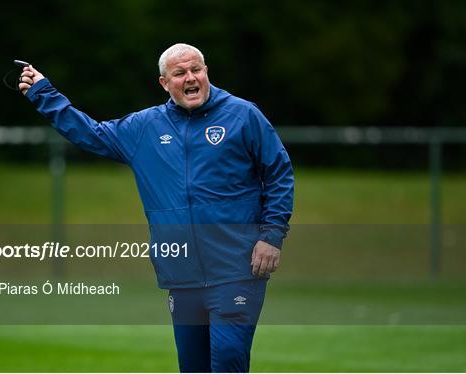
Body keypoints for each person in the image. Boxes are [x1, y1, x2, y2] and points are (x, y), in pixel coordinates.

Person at [19, 43, 294, 372]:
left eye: (197, 70)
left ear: (206, 72)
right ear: (165, 83)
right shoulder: (144, 127)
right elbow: (88, 133)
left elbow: (279, 173)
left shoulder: (243, 115)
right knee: (192, 367)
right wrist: (43, 93)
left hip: (236, 268)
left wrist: (272, 235)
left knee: (228, 361)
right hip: (181, 272)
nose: (190, 78)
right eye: (180, 73)